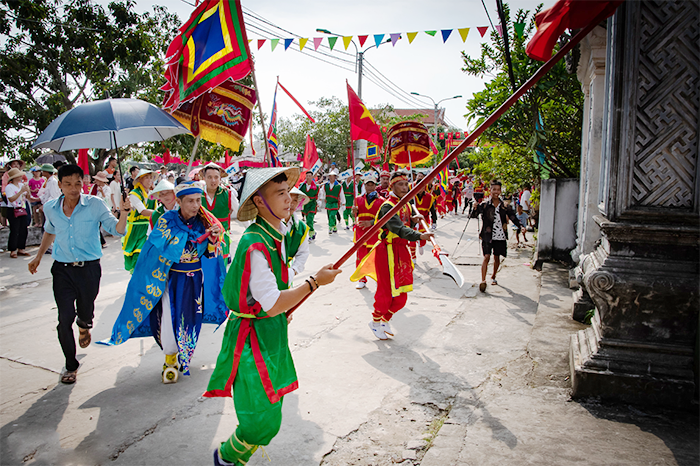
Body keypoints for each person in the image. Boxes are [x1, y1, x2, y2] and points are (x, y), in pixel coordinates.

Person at [204, 167, 341, 466]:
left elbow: (273, 296)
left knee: (270, 410)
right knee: (259, 419)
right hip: (251, 339)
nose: (288, 200)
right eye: (280, 194)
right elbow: (272, 303)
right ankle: (226, 458)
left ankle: (230, 459)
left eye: (287, 193)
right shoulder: (255, 243)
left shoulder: (275, 233)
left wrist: (285, 305)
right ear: (259, 201)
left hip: (270, 331)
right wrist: (314, 282)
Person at [99, 181, 227, 383]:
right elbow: (156, 247)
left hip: (195, 282)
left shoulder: (204, 222)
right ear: (179, 201)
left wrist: (212, 242)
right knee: (169, 318)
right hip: (171, 280)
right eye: (190, 201)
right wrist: (187, 239)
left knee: (191, 319)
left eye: (198, 200)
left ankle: (184, 356)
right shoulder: (167, 220)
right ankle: (170, 358)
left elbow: (211, 256)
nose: (195, 205)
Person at [28, 164, 131, 384]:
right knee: (64, 318)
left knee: (85, 311)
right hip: (62, 270)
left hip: (89, 269)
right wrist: (37, 257)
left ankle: (85, 324)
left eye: (78, 183)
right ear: (60, 185)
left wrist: (124, 212)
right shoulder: (51, 208)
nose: (74, 188)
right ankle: (70, 365)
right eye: (68, 184)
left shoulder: (95, 204)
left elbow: (118, 230)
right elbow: (50, 230)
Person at [350, 170, 434, 340]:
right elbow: (399, 229)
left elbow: (406, 222)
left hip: (401, 252)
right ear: (392, 186)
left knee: (402, 294)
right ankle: (375, 322)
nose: (404, 187)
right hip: (387, 251)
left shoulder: (407, 205)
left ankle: (385, 320)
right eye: (400, 184)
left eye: (406, 184)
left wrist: (415, 219)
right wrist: (419, 236)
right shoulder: (387, 206)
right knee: (386, 292)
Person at [471, 180, 525, 292]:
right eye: (494, 189)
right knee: (486, 256)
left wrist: (521, 226)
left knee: (497, 257)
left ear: (500, 191)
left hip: (500, 235)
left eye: (498, 189)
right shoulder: (485, 205)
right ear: (490, 190)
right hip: (487, 234)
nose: (496, 191)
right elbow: (474, 215)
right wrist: (474, 207)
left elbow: (513, 217)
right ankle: (483, 280)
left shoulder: (505, 206)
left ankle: (494, 276)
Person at [351, 173, 384, 290]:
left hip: (375, 234)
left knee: (377, 259)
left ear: (375, 186)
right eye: (367, 185)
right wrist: (353, 211)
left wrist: (371, 223)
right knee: (360, 257)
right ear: (364, 186)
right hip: (361, 233)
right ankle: (362, 279)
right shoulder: (358, 199)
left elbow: (384, 219)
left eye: (372, 185)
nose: (369, 187)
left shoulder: (382, 201)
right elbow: (354, 216)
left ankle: (379, 278)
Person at [201, 162, 239, 262]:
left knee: (221, 273)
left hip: (222, 241)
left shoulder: (228, 194)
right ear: (204, 178)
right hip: (201, 239)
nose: (213, 180)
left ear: (220, 178)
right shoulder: (197, 195)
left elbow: (240, 213)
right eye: (209, 177)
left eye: (216, 177)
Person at [122, 169, 155, 273]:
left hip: (149, 227)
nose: (149, 180)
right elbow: (143, 211)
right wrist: (161, 213)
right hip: (136, 229)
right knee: (137, 256)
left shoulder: (152, 194)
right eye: (146, 177)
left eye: (151, 177)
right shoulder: (134, 194)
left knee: (149, 255)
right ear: (140, 180)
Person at [284, 187, 310, 283]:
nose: (292, 203)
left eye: (295, 200)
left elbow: (303, 253)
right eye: (289, 199)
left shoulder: (301, 228)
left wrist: (293, 271)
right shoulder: (270, 222)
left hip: (286, 274)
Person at [5, 167, 31, 258]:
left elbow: (27, 197)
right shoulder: (9, 187)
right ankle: (13, 249)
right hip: (13, 209)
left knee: (23, 229)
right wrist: (21, 192)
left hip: (22, 208)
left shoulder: (21, 185)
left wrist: (27, 191)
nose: (21, 177)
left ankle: (21, 248)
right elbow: (11, 198)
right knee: (14, 229)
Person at [411, 184, 434, 258]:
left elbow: (432, 209)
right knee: (412, 239)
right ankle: (413, 256)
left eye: (422, 187)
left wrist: (435, 220)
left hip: (424, 221)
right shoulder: (411, 197)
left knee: (423, 238)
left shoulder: (429, 197)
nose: (420, 189)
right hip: (414, 220)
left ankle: (421, 245)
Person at [298, 170, 319, 241]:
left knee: (309, 219)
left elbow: (318, 195)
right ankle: (313, 232)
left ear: (312, 177)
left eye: (310, 176)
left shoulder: (316, 187)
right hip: (305, 204)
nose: (308, 177)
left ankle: (310, 234)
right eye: (307, 176)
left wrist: (319, 202)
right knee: (307, 219)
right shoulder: (301, 185)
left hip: (312, 204)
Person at [323, 169, 342, 234]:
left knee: (332, 215)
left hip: (335, 203)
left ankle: (330, 227)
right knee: (330, 216)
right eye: (330, 176)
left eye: (332, 176)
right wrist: (320, 200)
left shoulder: (339, 186)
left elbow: (341, 194)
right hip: (328, 203)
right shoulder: (326, 185)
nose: (331, 178)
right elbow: (322, 192)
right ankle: (334, 226)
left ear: (335, 177)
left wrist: (344, 203)